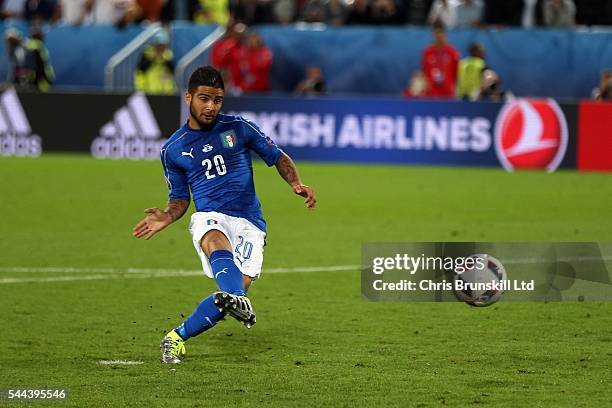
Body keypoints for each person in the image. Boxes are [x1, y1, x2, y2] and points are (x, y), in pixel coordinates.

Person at [132, 65, 316, 364]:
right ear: (188, 97)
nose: (210, 106)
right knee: (215, 239)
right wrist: (168, 215)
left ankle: (176, 337)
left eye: (217, 100)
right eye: (204, 98)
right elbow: (180, 198)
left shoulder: (239, 127)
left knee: (233, 293)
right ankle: (238, 301)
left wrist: (295, 181)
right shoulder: (173, 150)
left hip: (250, 223)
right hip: (210, 215)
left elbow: (278, 156)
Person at [421, 22, 460, 98]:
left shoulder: (452, 52)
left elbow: (457, 72)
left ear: (445, 34)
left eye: (441, 33)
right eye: (436, 34)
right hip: (431, 91)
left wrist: (455, 87)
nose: (439, 36)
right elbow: (425, 70)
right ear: (433, 35)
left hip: (448, 90)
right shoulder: (427, 52)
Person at [134, 30, 176, 94]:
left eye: (163, 45)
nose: (161, 48)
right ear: (154, 45)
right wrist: (153, 59)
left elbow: (173, 70)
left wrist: (163, 60)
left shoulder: (168, 55)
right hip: (148, 91)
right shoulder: (146, 54)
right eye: (158, 45)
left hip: (166, 92)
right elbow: (141, 70)